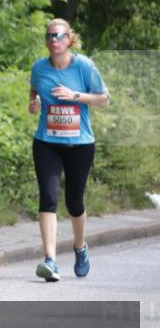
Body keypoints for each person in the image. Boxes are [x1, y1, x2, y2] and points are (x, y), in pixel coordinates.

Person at [28, 18, 110, 282]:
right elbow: (34, 89)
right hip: (46, 142)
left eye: (59, 35)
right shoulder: (39, 68)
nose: (54, 40)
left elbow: (104, 99)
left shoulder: (84, 66)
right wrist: (34, 102)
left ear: (69, 39)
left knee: (74, 203)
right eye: (50, 36)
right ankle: (50, 260)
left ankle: (80, 247)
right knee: (48, 198)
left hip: (79, 144)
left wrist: (75, 95)